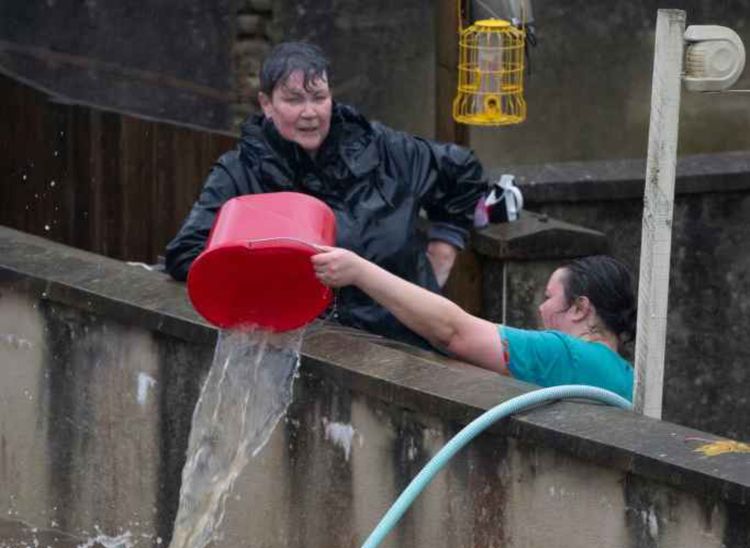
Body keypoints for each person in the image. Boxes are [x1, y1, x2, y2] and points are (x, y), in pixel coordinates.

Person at [165, 41, 486, 346]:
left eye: (318, 97)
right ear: (266, 104)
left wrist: (446, 243)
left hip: (410, 340)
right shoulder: (241, 172)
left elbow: (463, 170)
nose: (310, 112)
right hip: (311, 347)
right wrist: (267, 274)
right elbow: (186, 254)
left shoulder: (384, 149)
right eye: (293, 100)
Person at [311, 249, 637, 400]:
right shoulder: (628, 375)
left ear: (580, 308)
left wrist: (359, 271)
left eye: (549, 297)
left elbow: (453, 332)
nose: (541, 308)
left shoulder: (566, 354)